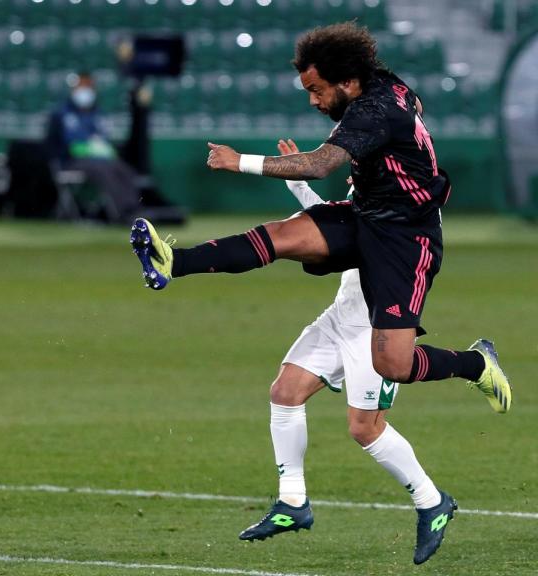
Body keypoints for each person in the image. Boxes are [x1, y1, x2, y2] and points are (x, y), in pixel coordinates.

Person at [129, 21, 512, 559]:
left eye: (316, 89)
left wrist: (241, 161)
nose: (312, 100)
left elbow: (323, 160)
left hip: (406, 238)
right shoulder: (378, 88)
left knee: (392, 366)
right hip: (367, 217)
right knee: (288, 237)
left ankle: (475, 367)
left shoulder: (377, 109)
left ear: (350, 83)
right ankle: (174, 262)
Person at [237, 139, 454, 564]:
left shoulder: (410, 204)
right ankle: (292, 502)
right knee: (284, 392)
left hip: (377, 328)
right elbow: (336, 227)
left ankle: (432, 502)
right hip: (341, 316)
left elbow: (349, 239)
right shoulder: (371, 191)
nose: (356, 170)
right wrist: (300, 184)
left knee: (365, 429)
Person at [45, 72, 141, 223]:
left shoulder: (97, 114)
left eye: (88, 86)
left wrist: (99, 148)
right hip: (71, 161)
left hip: (98, 159)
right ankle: (122, 213)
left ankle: (135, 209)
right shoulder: (62, 114)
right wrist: (91, 146)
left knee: (124, 170)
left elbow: (105, 142)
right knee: (104, 170)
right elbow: (70, 146)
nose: (85, 91)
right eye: (81, 86)